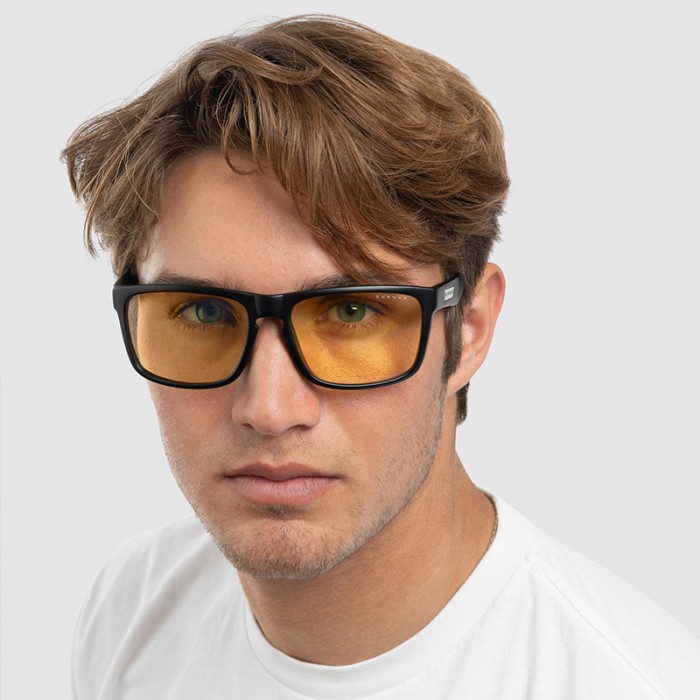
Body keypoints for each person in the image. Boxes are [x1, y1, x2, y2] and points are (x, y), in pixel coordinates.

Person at [62, 14, 700, 699]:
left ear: (470, 328)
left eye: (350, 312)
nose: (269, 408)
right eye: (205, 312)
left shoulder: (628, 683)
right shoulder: (132, 610)